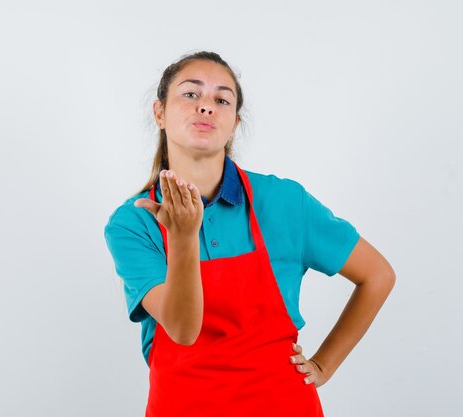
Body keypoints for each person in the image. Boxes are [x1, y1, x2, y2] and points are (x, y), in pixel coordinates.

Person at [103, 51, 395, 416]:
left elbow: (377, 275)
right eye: (191, 94)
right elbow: (182, 330)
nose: (206, 107)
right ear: (159, 112)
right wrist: (182, 237)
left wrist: (324, 364)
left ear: (235, 123)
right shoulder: (134, 223)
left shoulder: (285, 202)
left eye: (221, 99)